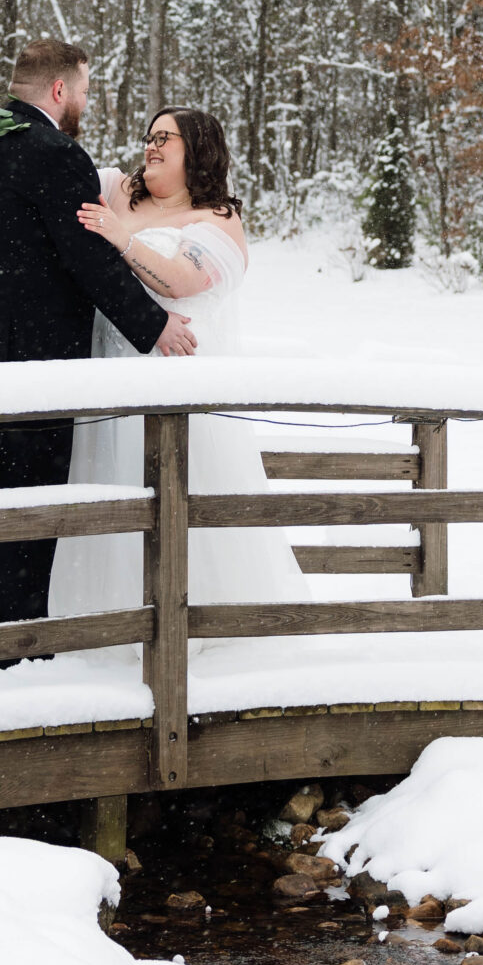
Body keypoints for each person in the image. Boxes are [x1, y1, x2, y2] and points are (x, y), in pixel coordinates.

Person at [0, 39, 195, 634]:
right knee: (23, 515)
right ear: (59, 90)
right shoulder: (54, 153)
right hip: (30, 373)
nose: (85, 101)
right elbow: (88, 258)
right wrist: (154, 326)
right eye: (84, 90)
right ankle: (15, 650)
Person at [47, 106, 306, 620]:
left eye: (166, 138)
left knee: (174, 507)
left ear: (198, 152)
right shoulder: (117, 190)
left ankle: (182, 625)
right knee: (102, 501)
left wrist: (121, 237)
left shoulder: (218, 221)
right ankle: (95, 623)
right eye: (149, 135)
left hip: (173, 394)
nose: (151, 145)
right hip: (103, 386)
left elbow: (179, 282)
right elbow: (49, 177)